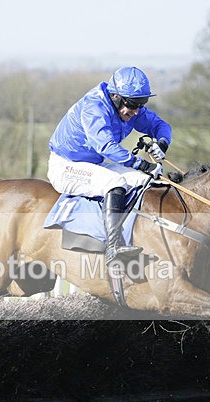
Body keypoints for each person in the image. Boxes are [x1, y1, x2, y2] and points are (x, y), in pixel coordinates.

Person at [47, 66, 173, 264]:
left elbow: (162, 126)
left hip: (93, 164)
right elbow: (105, 146)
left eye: (142, 104)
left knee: (145, 180)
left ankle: (138, 236)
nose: (136, 111)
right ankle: (114, 246)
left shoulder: (130, 107)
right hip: (65, 166)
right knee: (114, 183)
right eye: (133, 104)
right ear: (116, 96)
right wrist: (142, 164)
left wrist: (162, 143)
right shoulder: (94, 106)